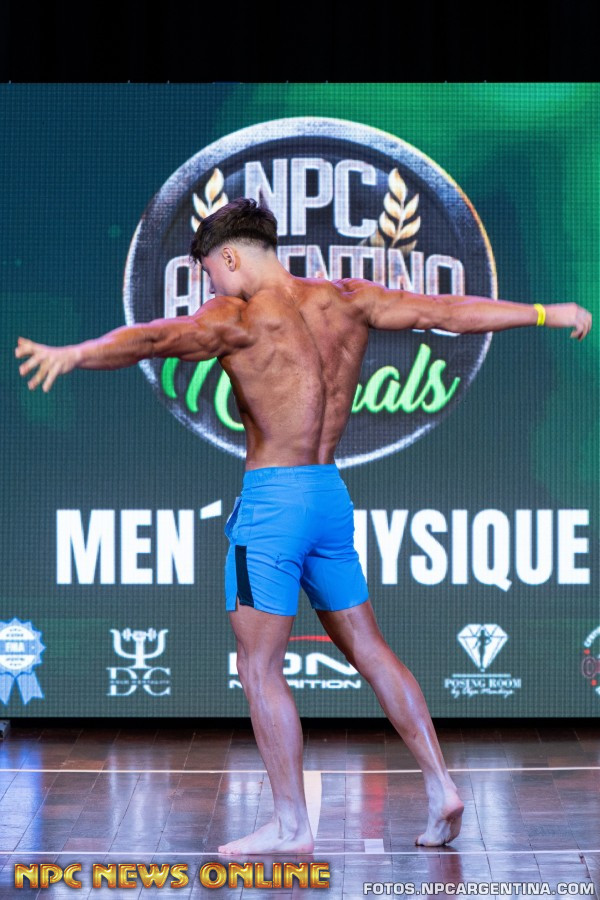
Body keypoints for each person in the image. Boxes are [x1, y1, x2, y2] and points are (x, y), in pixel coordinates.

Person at [15, 198, 592, 855]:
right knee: (370, 648)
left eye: (208, 270)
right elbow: (446, 312)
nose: (209, 285)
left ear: (230, 256)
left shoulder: (237, 317)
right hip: (327, 496)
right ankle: (440, 787)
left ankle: (292, 826)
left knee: (258, 667)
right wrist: (546, 313)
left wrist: (76, 353)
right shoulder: (346, 300)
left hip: (273, 506)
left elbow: (151, 339)